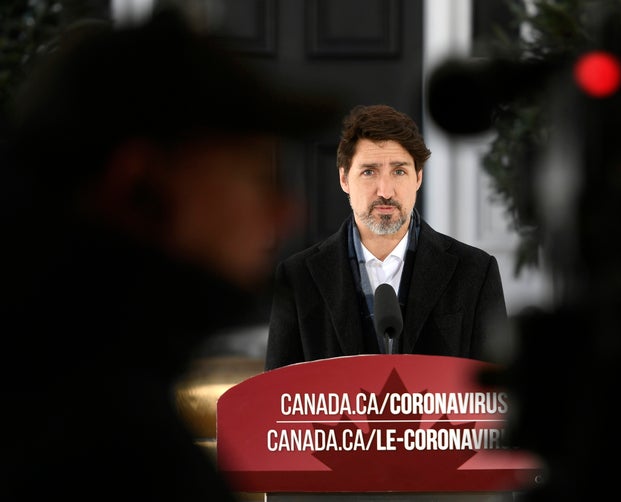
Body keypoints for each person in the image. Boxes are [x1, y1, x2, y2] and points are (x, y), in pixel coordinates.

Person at [0, 7, 337, 501]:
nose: (289, 212)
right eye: (260, 178)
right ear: (138, 187)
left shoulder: (78, 364)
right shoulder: (99, 437)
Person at [265, 104, 508, 370]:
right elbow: (276, 400)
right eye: (369, 171)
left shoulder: (475, 271)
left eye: (399, 171)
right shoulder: (297, 279)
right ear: (344, 179)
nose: (386, 191)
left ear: (418, 177)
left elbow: (494, 397)